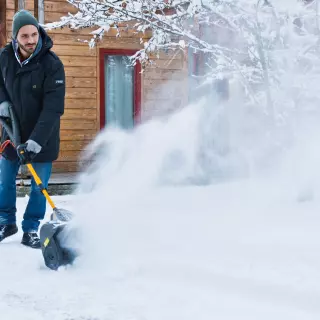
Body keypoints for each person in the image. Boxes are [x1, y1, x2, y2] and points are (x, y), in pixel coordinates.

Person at [0, 10, 65, 248]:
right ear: (15, 37)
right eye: (24, 35)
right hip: (12, 131)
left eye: (34, 34)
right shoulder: (4, 57)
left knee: (39, 186)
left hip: (43, 136)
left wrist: (35, 141)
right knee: (5, 181)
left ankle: (31, 228)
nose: (30, 40)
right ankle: (6, 221)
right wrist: (2, 101)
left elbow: (53, 108)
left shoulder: (52, 64)